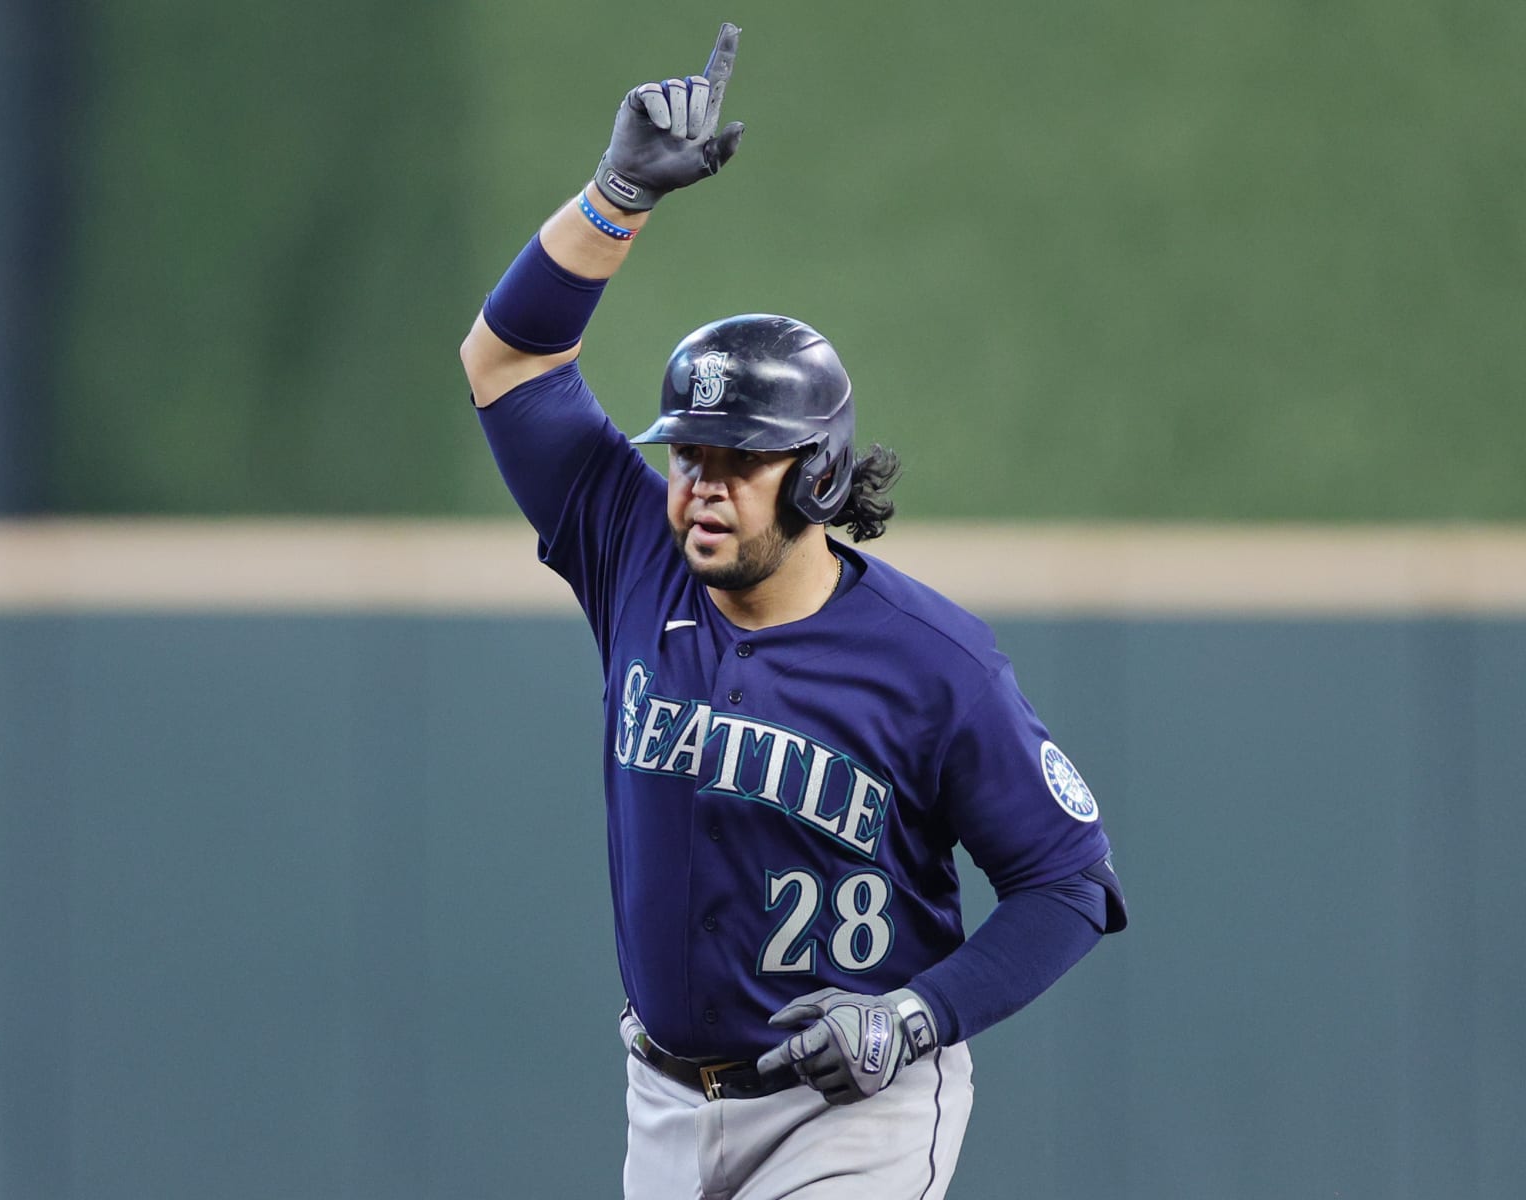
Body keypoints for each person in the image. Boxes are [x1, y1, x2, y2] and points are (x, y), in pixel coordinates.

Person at [459, 23, 1127, 1199]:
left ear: (818, 473)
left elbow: (1068, 885)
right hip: (664, 1099)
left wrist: (916, 1018)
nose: (700, 484)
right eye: (687, 454)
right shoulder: (635, 551)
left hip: (854, 1114)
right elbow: (509, 362)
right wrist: (615, 200)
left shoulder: (933, 666)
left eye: (738, 459)